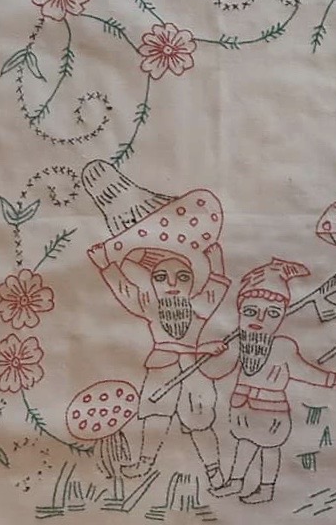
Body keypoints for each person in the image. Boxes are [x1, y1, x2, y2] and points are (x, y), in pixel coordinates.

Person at [86, 189, 231, 491]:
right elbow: (123, 289)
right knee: (154, 415)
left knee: (200, 422)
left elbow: (217, 284)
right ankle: (144, 462)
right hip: (161, 366)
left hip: (195, 374)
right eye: (161, 277)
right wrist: (105, 265)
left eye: (182, 277)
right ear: (152, 281)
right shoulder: (148, 304)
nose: (172, 284)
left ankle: (215, 472)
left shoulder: (198, 306)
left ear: (193, 281)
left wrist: (216, 260)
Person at [202, 257, 336, 504]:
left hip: (272, 413)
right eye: (250, 311)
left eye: (272, 314)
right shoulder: (239, 344)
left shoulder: (282, 347)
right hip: (241, 410)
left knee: (269, 449)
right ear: (239, 313)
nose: (259, 319)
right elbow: (216, 371)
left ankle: (266, 488)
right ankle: (236, 482)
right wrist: (210, 352)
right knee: (244, 445)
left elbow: (308, 373)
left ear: (280, 318)